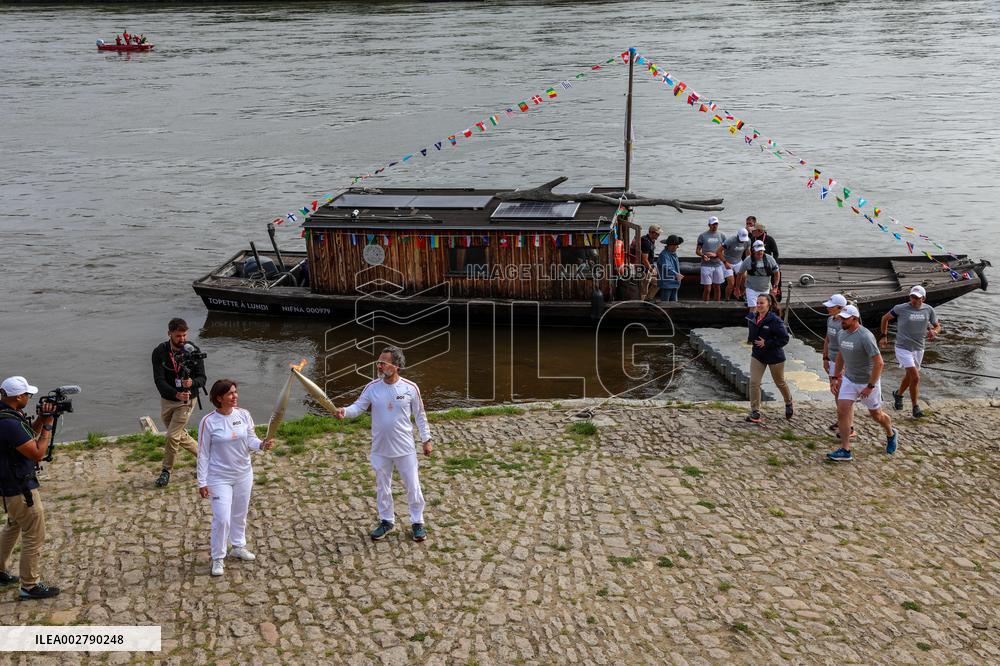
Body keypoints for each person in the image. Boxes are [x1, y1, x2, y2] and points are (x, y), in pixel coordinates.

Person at [335, 346, 432, 542]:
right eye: (378, 362)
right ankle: (386, 521)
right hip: (380, 449)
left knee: (413, 486)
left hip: (405, 448)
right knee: (382, 487)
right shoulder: (372, 388)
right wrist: (344, 411)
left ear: (396, 366)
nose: (379, 366)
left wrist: (426, 439)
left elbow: (420, 416)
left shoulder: (410, 388)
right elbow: (358, 407)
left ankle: (417, 522)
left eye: (383, 363)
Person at [197, 379, 273, 577]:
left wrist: (261, 445)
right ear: (218, 398)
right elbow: (203, 453)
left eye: (235, 392)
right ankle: (218, 557)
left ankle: (238, 546)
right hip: (219, 477)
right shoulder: (208, 421)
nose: (235, 396)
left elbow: (250, 439)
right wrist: (202, 481)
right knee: (222, 519)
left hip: (243, 474)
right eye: (230, 393)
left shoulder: (244, 415)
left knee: (240, 514)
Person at [0, 376, 60, 600]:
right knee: (34, 534)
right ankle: (30, 585)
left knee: (13, 526)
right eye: (27, 395)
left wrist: (41, 418)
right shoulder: (9, 423)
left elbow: (24, 437)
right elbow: (36, 452)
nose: (29, 398)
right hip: (20, 489)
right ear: (18, 397)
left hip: (7, 488)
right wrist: (48, 426)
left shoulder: (6, 416)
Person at [827, 305, 898, 462]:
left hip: (867, 381)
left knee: (876, 415)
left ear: (855, 318)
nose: (842, 321)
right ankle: (845, 450)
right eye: (841, 318)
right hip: (849, 379)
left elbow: (879, 363)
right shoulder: (841, 334)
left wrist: (870, 386)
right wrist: (835, 376)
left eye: (845, 319)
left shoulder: (865, 336)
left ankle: (891, 433)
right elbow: (840, 356)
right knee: (842, 411)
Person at [151, 318, 207, 488]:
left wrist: (192, 384)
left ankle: (166, 471)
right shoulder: (159, 352)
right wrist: (175, 393)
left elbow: (202, 378)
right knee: (179, 435)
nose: (182, 339)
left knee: (171, 436)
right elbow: (159, 380)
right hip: (168, 399)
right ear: (169, 334)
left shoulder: (193, 351)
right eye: (178, 336)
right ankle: (208, 459)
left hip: (187, 400)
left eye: (184, 335)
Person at [880, 285, 941, 418]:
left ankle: (899, 394)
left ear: (923, 298)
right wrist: (884, 336)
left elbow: (937, 326)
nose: (914, 300)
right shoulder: (900, 308)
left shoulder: (928, 310)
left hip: (919, 348)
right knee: (916, 377)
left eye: (917, 298)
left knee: (910, 376)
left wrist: (934, 332)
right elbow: (885, 318)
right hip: (902, 347)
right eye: (912, 297)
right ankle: (915, 407)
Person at [744, 294, 794, 423]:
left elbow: (784, 338)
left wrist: (767, 343)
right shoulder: (753, 317)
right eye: (758, 303)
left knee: (780, 382)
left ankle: (788, 402)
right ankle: (755, 411)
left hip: (774, 356)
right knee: (754, 382)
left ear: (769, 304)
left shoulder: (775, 320)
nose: (759, 305)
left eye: (762, 303)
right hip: (758, 355)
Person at [821, 294, 852, 436]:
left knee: (844, 395)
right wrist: (825, 357)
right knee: (836, 392)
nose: (828, 309)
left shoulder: (845, 323)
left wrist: (842, 366)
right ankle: (841, 421)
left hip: (842, 362)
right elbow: (827, 339)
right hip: (832, 359)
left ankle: (849, 426)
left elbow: (848, 345)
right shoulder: (830, 320)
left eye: (831, 307)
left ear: (840, 308)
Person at [734, 240, 781, 307]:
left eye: (761, 250)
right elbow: (740, 274)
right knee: (753, 308)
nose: (760, 252)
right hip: (751, 288)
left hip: (765, 289)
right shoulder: (748, 260)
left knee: (763, 308)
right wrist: (737, 288)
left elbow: (777, 273)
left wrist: (775, 287)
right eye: (758, 251)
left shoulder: (770, 259)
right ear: (753, 250)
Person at [696, 216, 727, 302]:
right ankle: (705, 305)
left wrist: (716, 255)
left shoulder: (722, 236)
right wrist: (703, 255)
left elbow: (725, 251)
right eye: (713, 224)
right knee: (708, 289)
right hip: (706, 265)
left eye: (716, 224)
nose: (715, 226)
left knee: (717, 288)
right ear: (709, 225)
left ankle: (717, 305)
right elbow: (697, 251)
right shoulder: (702, 236)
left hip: (718, 265)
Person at [633, 224, 661, 301]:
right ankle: (643, 304)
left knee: (658, 283)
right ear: (651, 233)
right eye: (657, 233)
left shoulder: (651, 241)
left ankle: (648, 300)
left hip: (648, 268)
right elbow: (644, 259)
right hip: (643, 270)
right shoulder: (646, 242)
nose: (659, 235)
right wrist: (651, 269)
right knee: (644, 290)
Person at [723, 227, 751, 301]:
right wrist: (725, 262)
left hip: (738, 262)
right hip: (728, 262)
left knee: (745, 278)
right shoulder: (730, 240)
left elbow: (748, 252)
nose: (742, 241)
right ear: (737, 235)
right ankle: (727, 299)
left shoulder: (748, 241)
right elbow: (718, 252)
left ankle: (740, 295)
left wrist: (749, 262)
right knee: (731, 283)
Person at [656, 235, 684, 302]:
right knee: (665, 304)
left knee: (674, 304)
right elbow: (666, 267)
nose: (678, 247)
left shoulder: (673, 253)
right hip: (667, 284)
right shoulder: (664, 255)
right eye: (676, 245)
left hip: (675, 283)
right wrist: (676, 274)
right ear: (671, 245)